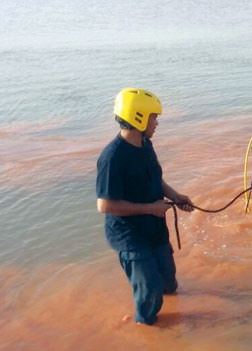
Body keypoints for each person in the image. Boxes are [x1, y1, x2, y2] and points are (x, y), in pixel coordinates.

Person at [96, 88, 194, 325]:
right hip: (130, 235)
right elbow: (105, 205)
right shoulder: (113, 157)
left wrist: (176, 195)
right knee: (149, 292)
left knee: (169, 284)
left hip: (154, 228)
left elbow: (154, 179)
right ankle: (145, 327)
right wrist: (150, 208)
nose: (157, 122)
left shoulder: (145, 144)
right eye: (154, 117)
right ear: (138, 117)